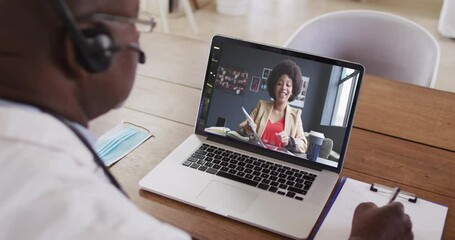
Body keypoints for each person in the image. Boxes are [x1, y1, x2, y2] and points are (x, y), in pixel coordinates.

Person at [0, 0, 413, 239]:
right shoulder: (101, 224)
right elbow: (237, 134)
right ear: (93, 48)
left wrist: (293, 144)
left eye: (290, 87)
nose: (141, 38)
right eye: (136, 23)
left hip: (288, 171)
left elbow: (304, 148)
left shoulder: (297, 117)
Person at [238, 59, 307, 153]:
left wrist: (290, 141)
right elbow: (241, 128)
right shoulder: (261, 106)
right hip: (255, 154)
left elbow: (303, 145)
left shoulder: (295, 115)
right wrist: (247, 130)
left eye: (288, 85)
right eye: (280, 83)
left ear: (292, 91)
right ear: (274, 87)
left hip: (278, 161)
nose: (283, 88)